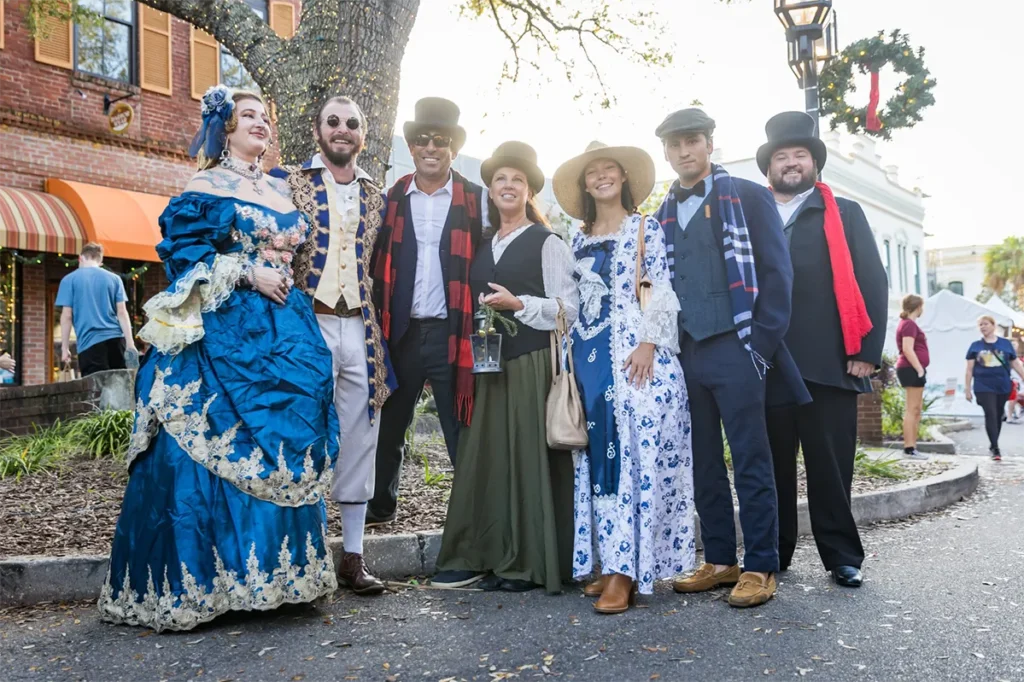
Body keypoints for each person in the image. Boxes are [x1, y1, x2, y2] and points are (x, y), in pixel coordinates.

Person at [99, 87, 339, 632]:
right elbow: (185, 253)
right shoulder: (206, 185)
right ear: (224, 128)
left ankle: (279, 581)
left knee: (289, 429)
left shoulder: (278, 188)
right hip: (225, 327)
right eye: (246, 115)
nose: (259, 123)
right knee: (207, 437)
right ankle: (210, 585)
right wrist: (248, 272)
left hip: (287, 329)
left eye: (264, 116)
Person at [654, 108, 806, 609]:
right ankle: (721, 560)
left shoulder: (749, 196)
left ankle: (760, 565)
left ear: (709, 144)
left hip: (737, 348)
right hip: (686, 351)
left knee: (750, 458)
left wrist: (758, 348)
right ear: (666, 152)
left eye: (692, 141)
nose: (683, 152)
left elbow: (778, 276)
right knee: (702, 463)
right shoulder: (661, 214)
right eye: (674, 145)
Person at [551, 141, 694, 614]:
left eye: (610, 169)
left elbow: (656, 287)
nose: (602, 177)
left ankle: (627, 572)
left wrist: (650, 343)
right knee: (599, 462)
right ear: (585, 184)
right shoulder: (576, 238)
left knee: (630, 458)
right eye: (593, 172)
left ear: (623, 178)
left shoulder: (643, 229)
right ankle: (609, 561)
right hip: (590, 358)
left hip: (635, 357)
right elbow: (573, 302)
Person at [431, 141, 578, 593]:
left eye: (517, 179)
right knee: (487, 461)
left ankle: (530, 562)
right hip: (485, 366)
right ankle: (484, 555)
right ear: (491, 192)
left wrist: (519, 304)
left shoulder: (546, 241)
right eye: (500, 179)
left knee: (528, 460)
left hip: (531, 363)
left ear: (529, 189)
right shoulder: (481, 244)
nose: (508, 185)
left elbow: (568, 308)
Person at [758, 112, 891, 589]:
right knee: (772, 466)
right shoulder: (755, 213)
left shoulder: (844, 213)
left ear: (814, 163)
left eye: (800, 155)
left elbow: (873, 282)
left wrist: (867, 350)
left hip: (831, 360)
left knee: (830, 466)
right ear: (768, 166)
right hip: (768, 361)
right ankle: (774, 552)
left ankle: (841, 555)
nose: (791, 164)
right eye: (782, 157)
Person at [272, 95, 397, 595]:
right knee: (300, 431)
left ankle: (352, 556)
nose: (342, 130)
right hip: (309, 323)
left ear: (363, 135)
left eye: (352, 123)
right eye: (333, 122)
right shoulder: (289, 182)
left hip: (360, 328)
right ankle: (296, 555)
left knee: (361, 437)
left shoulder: (375, 193)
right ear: (318, 130)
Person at [369, 97, 485, 525]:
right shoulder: (392, 199)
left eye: (440, 140)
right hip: (399, 332)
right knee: (389, 426)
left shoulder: (475, 201)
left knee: (459, 427)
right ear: (412, 147)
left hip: (452, 332)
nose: (431, 147)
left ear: (453, 147)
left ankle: (470, 514)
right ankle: (380, 507)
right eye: (422, 140)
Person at [56, 243, 137, 376]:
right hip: (116, 341)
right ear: (100, 261)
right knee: (120, 388)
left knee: (97, 392)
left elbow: (67, 316)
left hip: (89, 343)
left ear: (80, 258)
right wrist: (130, 343)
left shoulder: (69, 280)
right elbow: (122, 313)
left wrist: (65, 348)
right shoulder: (115, 279)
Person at [965, 315, 1024, 461]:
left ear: (993, 325)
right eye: (980, 325)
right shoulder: (975, 346)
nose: (983, 327)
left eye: (985, 324)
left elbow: (1015, 363)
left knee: (997, 415)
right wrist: (967, 388)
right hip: (983, 385)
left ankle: (993, 442)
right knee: (990, 413)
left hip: (1002, 385)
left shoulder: (1005, 344)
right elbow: (969, 369)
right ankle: (995, 447)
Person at [896, 294, 930, 459]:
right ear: (918, 307)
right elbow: (907, 348)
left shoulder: (909, 324)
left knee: (916, 410)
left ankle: (913, 446)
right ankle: (909, 448)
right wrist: (919, 369)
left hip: (913, 369)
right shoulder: (909, 324)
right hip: (911, 369)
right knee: (912, 409)